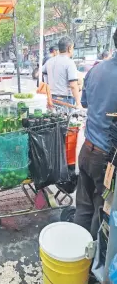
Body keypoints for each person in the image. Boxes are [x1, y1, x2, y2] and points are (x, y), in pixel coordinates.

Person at [74, 28, 117, 240]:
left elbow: (84, 103)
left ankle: (74, 252)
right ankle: (88, 263)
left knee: (83, 206)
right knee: (100, 210)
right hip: (107, 159)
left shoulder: (96, 70)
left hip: (88, 148)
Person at [42, 36, 81, 107]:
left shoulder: (49, 61)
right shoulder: (69, 63)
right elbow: (73, 85)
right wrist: (78, 103)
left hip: (51, 98)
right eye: (73, 48)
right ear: (69, 48)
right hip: (65, 100)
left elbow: (40, 74)